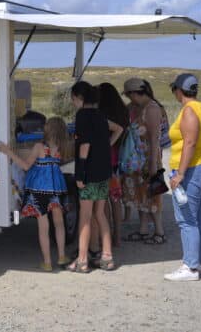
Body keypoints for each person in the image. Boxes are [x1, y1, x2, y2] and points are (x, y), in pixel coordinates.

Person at [0, 117, 70, 271]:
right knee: (59, 223)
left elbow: (25, 165)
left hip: (39, 190)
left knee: (43, 227)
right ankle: (62, 256)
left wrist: (8, 151)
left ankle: (47, 262)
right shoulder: (63, 148)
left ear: (48, 129)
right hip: (57, 189)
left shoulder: (39, 147)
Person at [164, 73, 201, 281]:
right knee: (199, 217)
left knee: (186, 219)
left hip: (192, 170)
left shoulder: (189, 112)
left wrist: (181, 174)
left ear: (179, 90)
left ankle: (190, 266)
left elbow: (190, 143)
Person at [68, 81, 123, 273]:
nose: (73, 103)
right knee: (100, 213)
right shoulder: (100, 115)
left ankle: (82, 260)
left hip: (90, 172)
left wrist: (80, 172)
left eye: (73, 99)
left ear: (80, 98)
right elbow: (119, 129)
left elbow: (84, 146)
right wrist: (106, 146)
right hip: (103, 172)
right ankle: (107, 256)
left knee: (85, 216)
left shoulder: (82, 116)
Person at [121, 78, 167, 245]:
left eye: (128, 95)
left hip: (149, 160)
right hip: (137, 161)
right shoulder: (136, 107)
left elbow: (155, 139)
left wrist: (154, 165)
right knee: (141, 196)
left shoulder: (152, 109)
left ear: (134, 93)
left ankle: (159, 232)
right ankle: (143, 230)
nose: (128, 98)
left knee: (153, 195)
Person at [97, 82, 130, 245]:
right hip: (118, 159)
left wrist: (105, 145)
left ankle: (107, 237)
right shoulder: (123, 111)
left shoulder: (102, 114)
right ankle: (118, 237)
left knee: (104, 201)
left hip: (104, 160)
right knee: (116, 199)